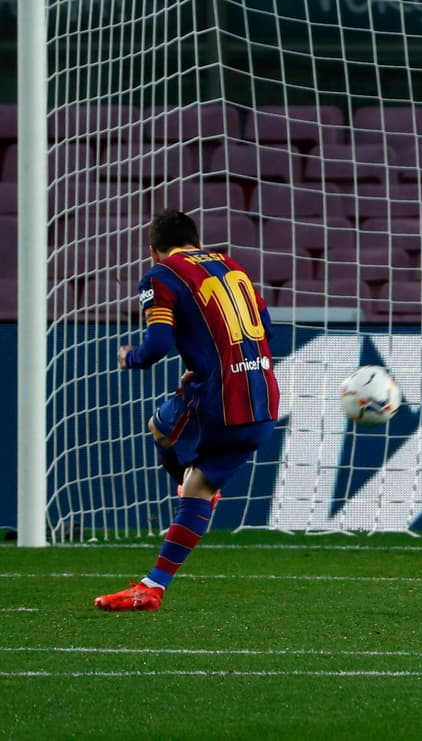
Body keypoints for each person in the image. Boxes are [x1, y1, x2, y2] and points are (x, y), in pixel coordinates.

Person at [94, 209, 279, 612]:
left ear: (153, 250)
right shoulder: (231, 264)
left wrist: (131, 358)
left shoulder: (162, 275)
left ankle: (187, 496)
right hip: (264, 399)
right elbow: (264, 323)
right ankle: (153, 586)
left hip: (218, 400)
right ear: (196, 240)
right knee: (200, 486)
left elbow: (157, 346)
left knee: (160, 428)